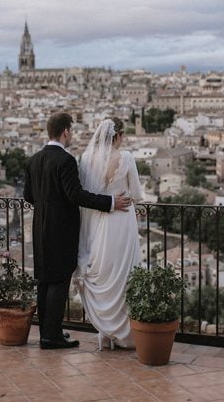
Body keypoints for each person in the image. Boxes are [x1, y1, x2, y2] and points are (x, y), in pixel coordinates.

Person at [24, 112, 132, 349]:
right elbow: (76, 195)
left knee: (44, 282)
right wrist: (111, 203)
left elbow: (28, 196)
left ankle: (47, 332)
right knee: (59, 282)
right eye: (71, 130)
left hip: (39, 229)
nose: (71, 135)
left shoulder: (33, 160)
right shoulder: (65, 161)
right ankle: (50, 338)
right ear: (65, 132)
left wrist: (47, 209)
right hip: (61, 231)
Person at [75, 117, 144, 350]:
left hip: (97, 222)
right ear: (117, 136)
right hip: (122, 221)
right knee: (124, 274)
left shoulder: (86, 159)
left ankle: (104, 331)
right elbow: (136, 193)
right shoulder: (125, 158)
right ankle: (124, 334)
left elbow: (85, 194)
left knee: (103, 270)